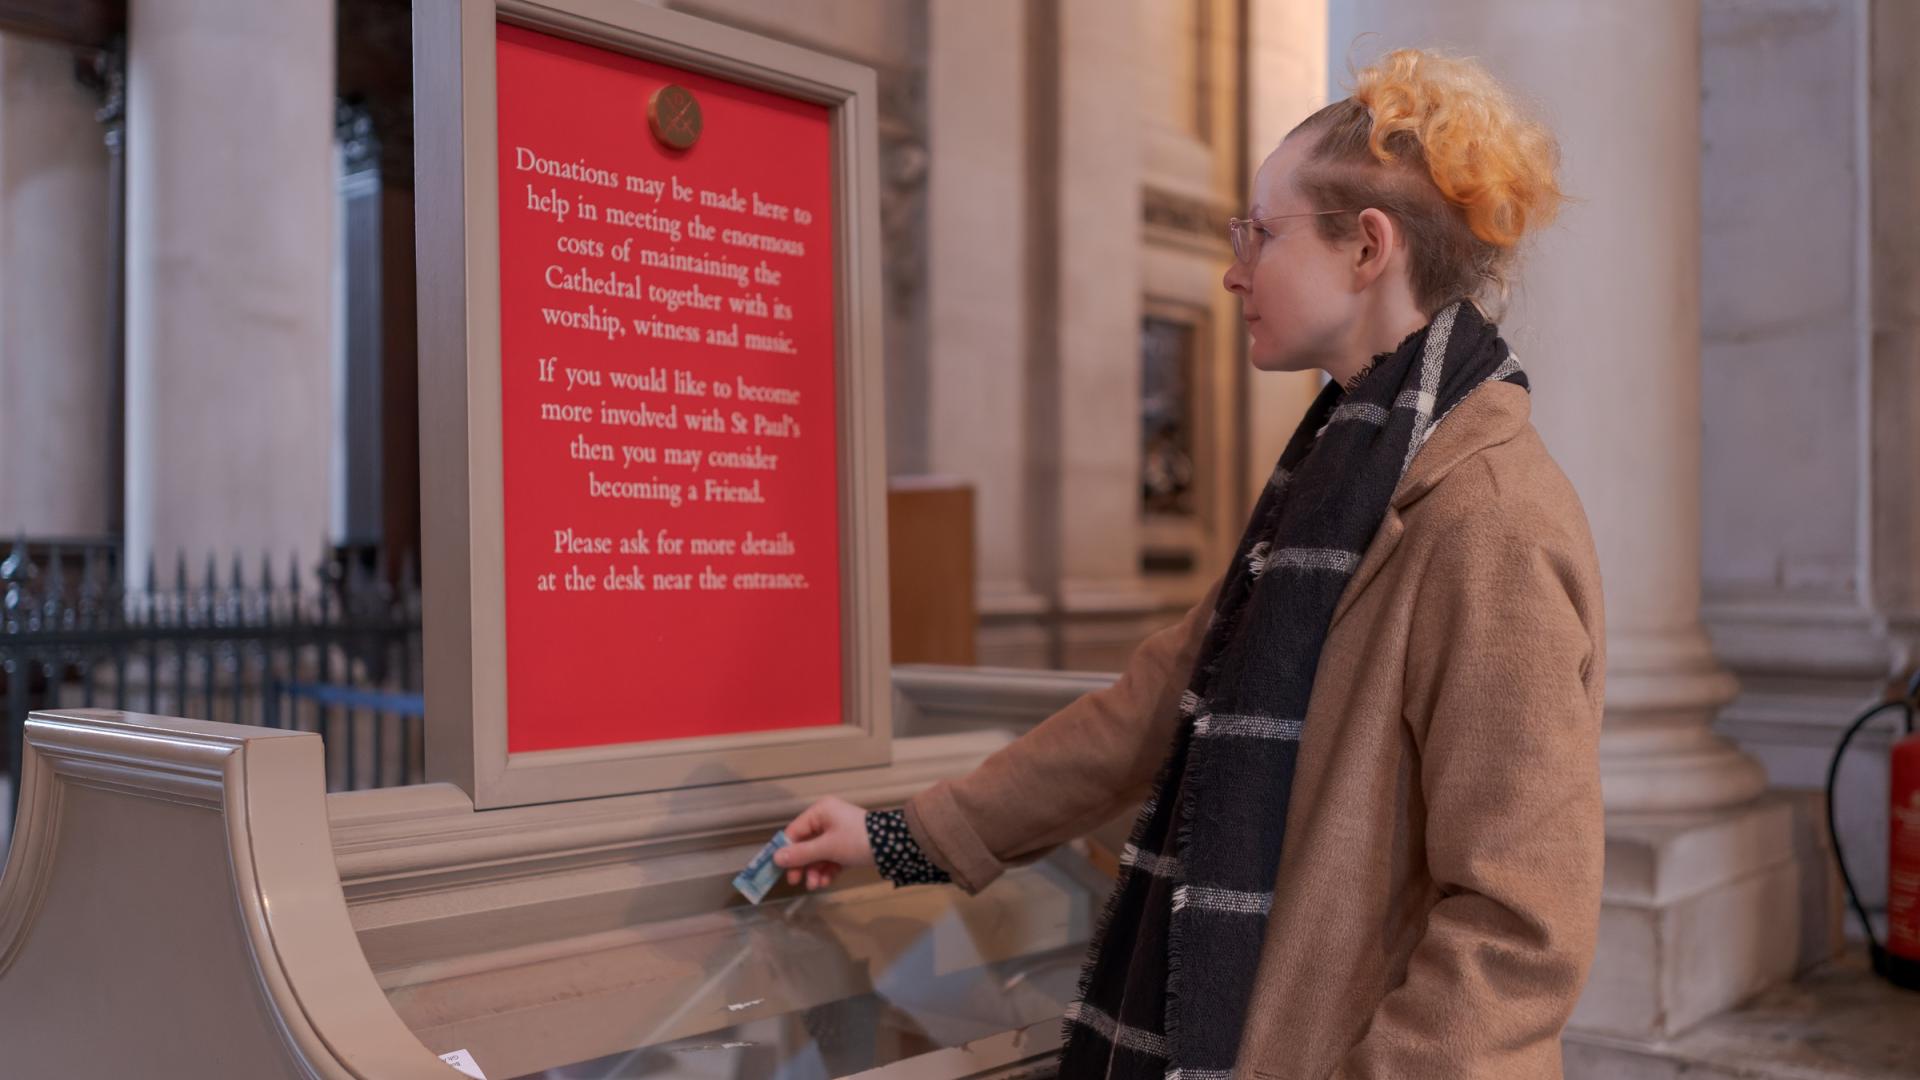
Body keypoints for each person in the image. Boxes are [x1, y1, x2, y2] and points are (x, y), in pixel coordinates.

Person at [773, 47, 1604, 1080]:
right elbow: (1145, 710)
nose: (1233, 265)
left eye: (1261, 230)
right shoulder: (1332, 485)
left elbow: (1521, 924)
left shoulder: (1487, 519)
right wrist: (904, 838)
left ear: (1367, 249)